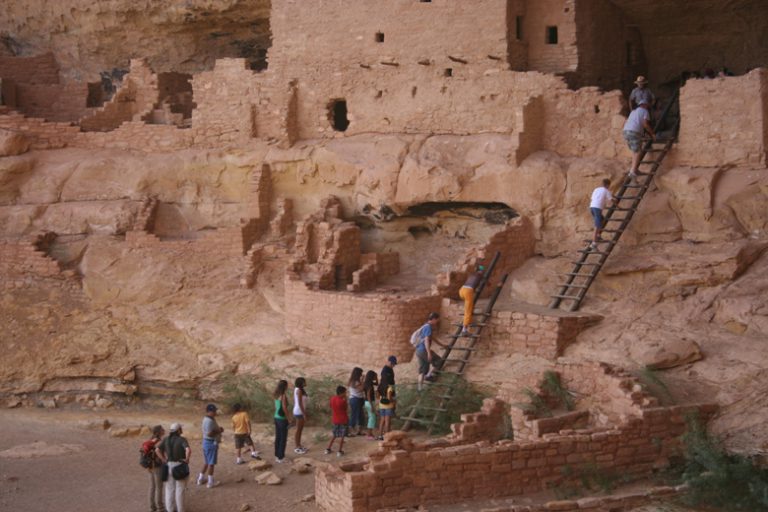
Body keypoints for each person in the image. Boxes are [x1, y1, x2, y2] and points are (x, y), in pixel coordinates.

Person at [156, 423, 191, 512]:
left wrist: (163, 459)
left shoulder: (166, 439)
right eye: (180, 429)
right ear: (178, 430)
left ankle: (170, 510)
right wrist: (187, 459)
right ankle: (180, 510)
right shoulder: (182, 439)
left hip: (168, 466)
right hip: (179, 466)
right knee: (180, 490)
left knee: (169, 489)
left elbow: (157, 450)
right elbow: (188, 450)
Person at [415, 312, 448, 391]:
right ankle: (429, 376)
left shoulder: (425, 326)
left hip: (418, 351)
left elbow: (432, 338)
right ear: (433, 319)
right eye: (437, 320)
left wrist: (442, 345)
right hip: (424, 350)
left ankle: (420, 388)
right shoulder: (428, 327)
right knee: (439, 361)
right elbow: (426, 340)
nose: (437, 321)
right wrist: (429, 352)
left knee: (422, 370)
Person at [623, 101, 655, 179]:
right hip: (634, 132)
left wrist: (643, 135)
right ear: (644, 105)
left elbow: (635, 123)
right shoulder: (644, 111)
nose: (648, 107)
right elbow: (645, 124)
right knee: (638, 152)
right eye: (647, 105)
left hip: (626, 131)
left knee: (635, 151)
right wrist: (652, 133)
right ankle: (633, 172)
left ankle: (635, 169)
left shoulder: (633, 112)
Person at [197, 403, 224, 488]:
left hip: (206, 443)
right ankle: (210, 482)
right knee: (211, 463)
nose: (216, 412)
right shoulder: (209, 421)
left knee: (206, 462)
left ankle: (200, 479)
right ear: (210, 411)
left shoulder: (207, 419)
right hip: (211, 443)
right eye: (214, 411)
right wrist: (219, 430)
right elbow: (209, 433)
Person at [589, 178, 615, 249]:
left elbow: (593, 198)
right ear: (608, 185)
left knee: (602, 220)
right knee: (597, 225)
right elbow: (611, 200)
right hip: (597, 208)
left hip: (592, 207)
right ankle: (594, 243)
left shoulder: (596, 189)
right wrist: (618, 206)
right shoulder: (606, 191)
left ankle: (598, 235)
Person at [459, 265, 484, 335]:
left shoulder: (471, 275)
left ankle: (467, 309)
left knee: (468, 306)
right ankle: (464, 330)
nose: (482, 272)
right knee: (468, 311)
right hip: (468, 291)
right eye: (482, 271)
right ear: (480, 271)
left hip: (461, 290)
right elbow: (486, 283)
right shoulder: (480, 275)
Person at [145, 425, 166, 512]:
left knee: (152, 487)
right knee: (159, 487)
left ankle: (152, 507)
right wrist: (164, 460)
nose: (164, 430)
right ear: (158, 432)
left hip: (150, 466)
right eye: (162, 429)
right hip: (157, 466)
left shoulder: (150, 440)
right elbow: (159, 452)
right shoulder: (158, 441)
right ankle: (160, 508)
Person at [324, 385, 349, 457]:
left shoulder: (332, 398)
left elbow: (330, 406)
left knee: (334, 435)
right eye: (345, 392)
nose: (345, 394)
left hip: (335, 419)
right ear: (341, 393)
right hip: (343, 420)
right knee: (342, 436)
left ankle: (328, 449)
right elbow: (346, 409)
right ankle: (339, 451)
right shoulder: (342, 401)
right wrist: (346, 400)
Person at [273, 379, 292, 463]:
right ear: (285, 386)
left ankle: (277, 455)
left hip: (276, 417)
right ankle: (281, 457)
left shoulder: (276, 395)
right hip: (282, 419)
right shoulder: (283, 396)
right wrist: (289, 418)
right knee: (283, 438)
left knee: (278, 437)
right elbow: (284, 408)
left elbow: (276, 407)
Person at [347, 367, 365, 436]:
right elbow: (361, 389)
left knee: (360, 415)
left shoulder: (352, 381)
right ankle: (351, 431)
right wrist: (362, 380)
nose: (361, 375)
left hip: (357, 399)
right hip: (356, 399)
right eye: (360, 373)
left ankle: (359, 431)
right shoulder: (355, 382)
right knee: (354, 415)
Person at [293, 377, 309, 454]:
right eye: (304, 381)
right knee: (298, 429)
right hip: (299, 412)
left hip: (299, 411)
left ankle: (299, 445)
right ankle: (297, 447)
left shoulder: (299, 389)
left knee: (300, 429)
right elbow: (299, 403)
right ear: (301, 382)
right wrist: (304, 414)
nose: (305, 382)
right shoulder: (299, 390)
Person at [377, 374, 396, 440]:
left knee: (382, 421)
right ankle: (386, 436)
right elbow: (389, 398)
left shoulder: (379, 387)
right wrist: (394, 401)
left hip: (381, 405)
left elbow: (377, 396)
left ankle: (380, 435)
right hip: (388, 406)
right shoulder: (389, 388)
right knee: (387, 421)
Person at [362, 370, 379, 440]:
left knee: (371, 417)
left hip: (367, 402)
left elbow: (377, 383)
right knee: (372, 418)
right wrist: (372, 406)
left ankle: (370, 433)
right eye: (375, 376)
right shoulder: (369, 385)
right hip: (369, 402)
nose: (376, 377)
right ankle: (369, 434)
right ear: (372, 376)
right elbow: (368, 395)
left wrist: (376, 378)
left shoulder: (367, 383)